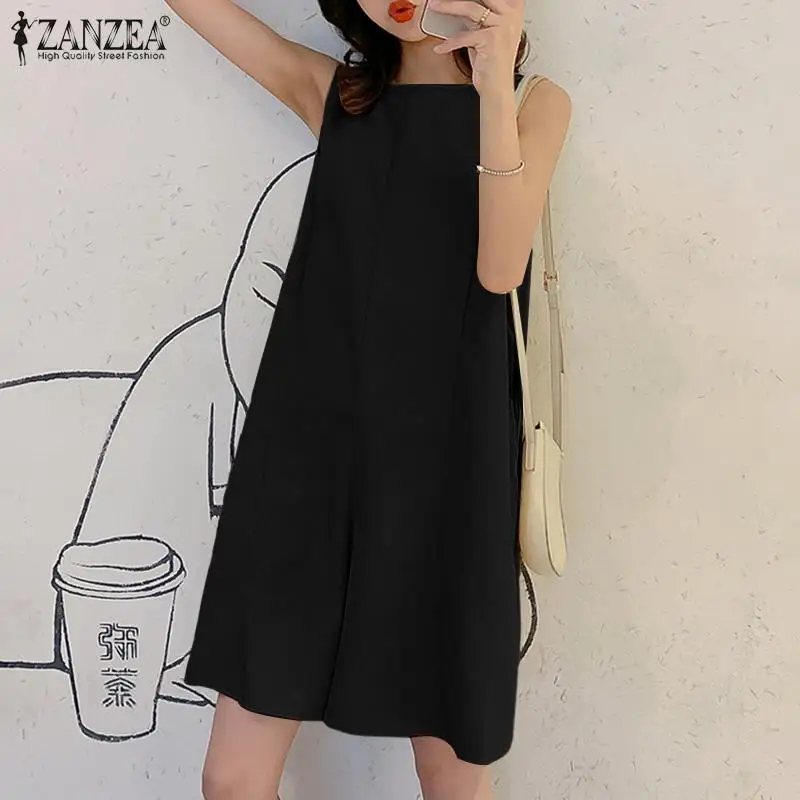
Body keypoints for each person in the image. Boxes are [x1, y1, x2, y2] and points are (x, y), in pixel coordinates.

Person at [164, 0, 571, 797]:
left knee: (452, 779)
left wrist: (493, 82)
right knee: (232, 780)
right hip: (306, 466)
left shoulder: (535, 105)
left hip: (449, 470)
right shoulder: (336, 95)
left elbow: (498, 268)